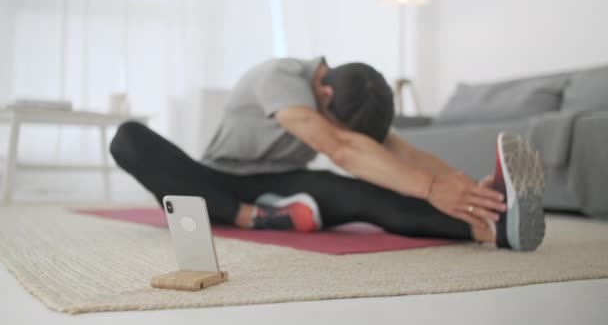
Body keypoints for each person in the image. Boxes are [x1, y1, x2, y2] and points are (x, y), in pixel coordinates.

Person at [110, 56, 545, 251]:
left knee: (362, 194)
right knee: (128, 137)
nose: (351, 135)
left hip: (282, 189)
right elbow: (338, 146)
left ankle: (493, 230)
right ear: (323, 92)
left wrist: (466, 189)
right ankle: (246, 216)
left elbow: (402, 153)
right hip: (213, 185)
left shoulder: (350, 101)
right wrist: (430, 188)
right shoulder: (280, 77)